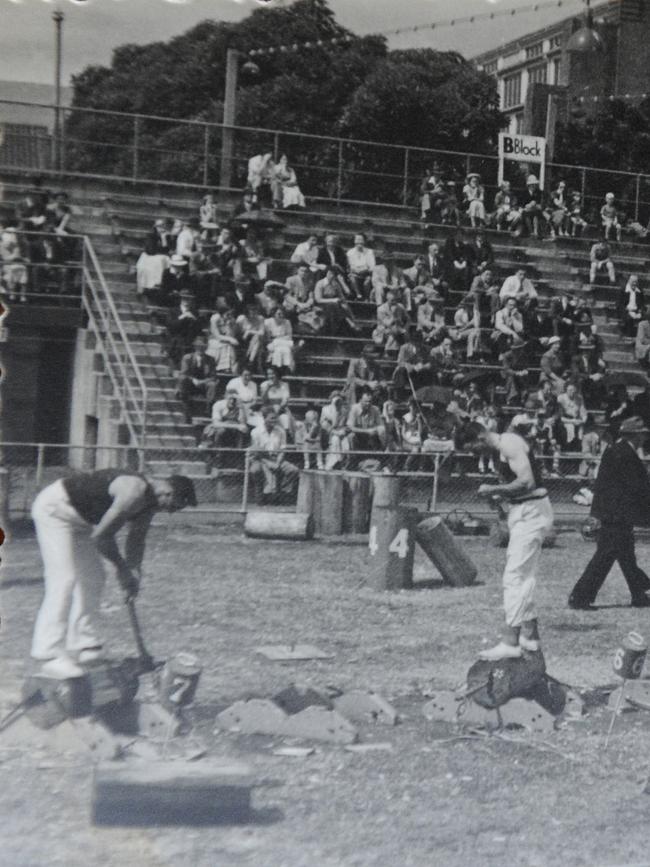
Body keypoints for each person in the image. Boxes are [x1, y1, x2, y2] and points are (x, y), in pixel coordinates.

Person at [30, 470, 197, 678]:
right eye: (173, 507)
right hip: (55, 509)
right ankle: (47, 653)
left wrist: (134, 574)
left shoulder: (150, 504)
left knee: (94, 577)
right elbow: (101, 537)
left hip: (80, 521)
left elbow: (136, 540)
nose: (170, 512)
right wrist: (122, 569)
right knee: (64, 579)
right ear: (168, 492)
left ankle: (84, 645)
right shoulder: (133, 492)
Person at [463, 421, 554, 660]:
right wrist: (498, 495)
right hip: (525, 511)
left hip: (531, 512)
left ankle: (510, 641)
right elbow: (517, 487)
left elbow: (527, 482)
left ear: (480, 436)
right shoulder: (499, 451)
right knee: (524, 576)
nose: (473, 454)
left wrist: (495, 488)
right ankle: (530, 636)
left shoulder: (509, 444)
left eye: (472, 448)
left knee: (514, 577)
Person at [568, 416, 650, 609]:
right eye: (643, 434)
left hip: (614, 513)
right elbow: (637, 487)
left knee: (626, 556)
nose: (645, 438)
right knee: (604, 557)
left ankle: (639, 594)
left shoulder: (618, 450)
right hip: (616, 515)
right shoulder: (623, 453)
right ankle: (579, 597)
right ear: (636, 435)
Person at [249, 408, 299, 500]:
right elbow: (256, 452)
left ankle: (281, 492)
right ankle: (262, 495)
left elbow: (282, 450)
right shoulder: (255, 432)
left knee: (293, 471)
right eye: (272, 418)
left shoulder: (281, 431)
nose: (275, 420)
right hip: (260, 459)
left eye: (276, 418)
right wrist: (268, 463)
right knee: (255, 470)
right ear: (264, 418)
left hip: (277, 458)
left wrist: (277, 463)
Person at [177, 336, 218, 425]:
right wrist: (193, 380)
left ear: (206, 348)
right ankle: (185, 408)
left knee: (212, 384)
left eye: (203, 347)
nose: (201, 349)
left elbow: (213, 376)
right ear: (195, 347)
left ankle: (208, 410)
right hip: (190, 384)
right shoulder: (187, 357)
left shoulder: (210, 359)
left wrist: (202, 382)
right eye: (199, 346)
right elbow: (184, 373)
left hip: (204, 385)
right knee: (183, 379)